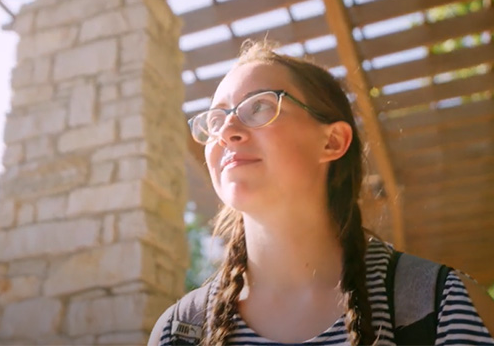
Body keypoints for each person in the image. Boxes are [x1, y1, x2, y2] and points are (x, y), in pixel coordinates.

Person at [148, 40, 494, 346]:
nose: (226, 131)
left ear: (332, 142)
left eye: (259, 107)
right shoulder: (177, 333)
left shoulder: (442, 306)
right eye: (215, 119)